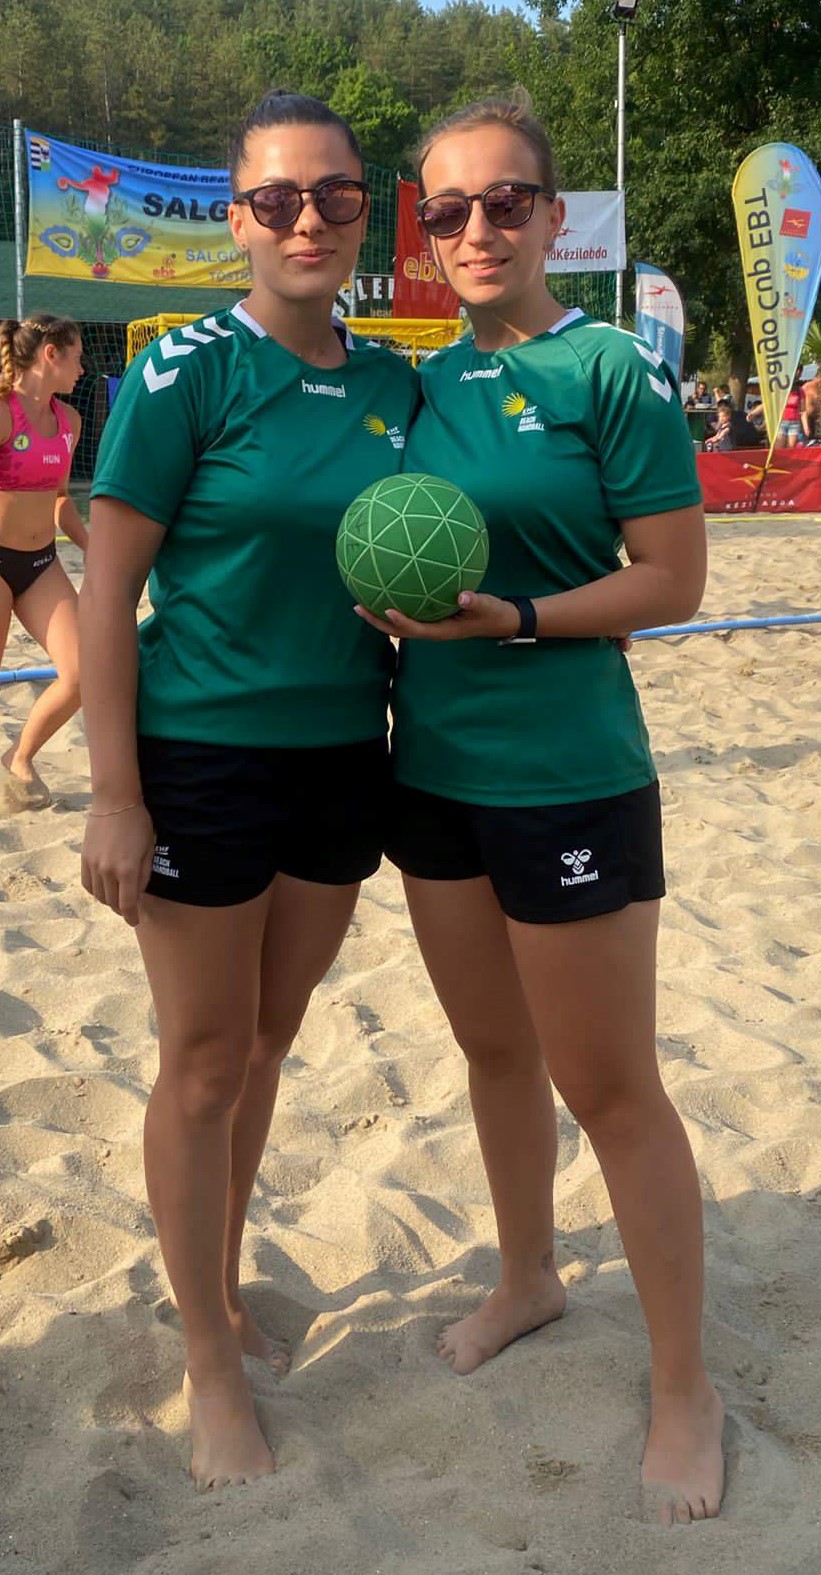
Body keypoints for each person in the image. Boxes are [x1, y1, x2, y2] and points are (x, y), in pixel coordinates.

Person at [356, 96, 723, 1525]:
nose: (476, 229)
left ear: (554, 218)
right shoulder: (417, 385)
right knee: (491, 1050)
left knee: (611, 1087)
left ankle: (683, 1385)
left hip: (569, 771)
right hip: (431, 773)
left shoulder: (608, 368)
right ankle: (527, 1275)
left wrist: (514, 615)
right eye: (447, 209)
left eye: (505, 202)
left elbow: (671, 581)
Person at [79, 89, 418, 1492]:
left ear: (362, 211)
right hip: (201, 757)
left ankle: (213, 1282)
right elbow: (106, 593)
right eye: (276, 199)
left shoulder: (395, 383)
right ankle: (208, 1356)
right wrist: (114, 792)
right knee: (206, 1059)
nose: (306, 221)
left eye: (333, 195)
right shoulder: (183, 371)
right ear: (236, 220)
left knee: (271, 1040)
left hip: (343, 752)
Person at [0, 313, 86, 808]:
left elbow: (60, 498)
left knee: (82, 673)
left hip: (41, 563)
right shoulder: (3, 413)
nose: (82, 368)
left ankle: (19, 757)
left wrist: (94, 549)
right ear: (50, 355)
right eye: (76, 357)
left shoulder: (68, 421)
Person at [779, 375, 804, 448]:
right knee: (779, 447)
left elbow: (803, 410)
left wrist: (805, 427)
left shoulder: (800, 391)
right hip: (782, 422)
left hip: (794, 423)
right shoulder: (781, 390)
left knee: (790, 448)